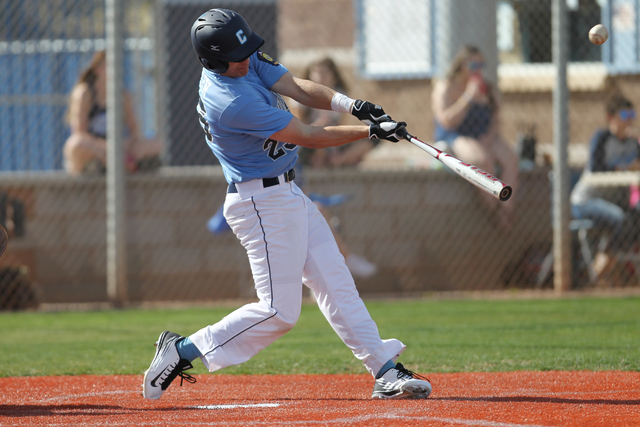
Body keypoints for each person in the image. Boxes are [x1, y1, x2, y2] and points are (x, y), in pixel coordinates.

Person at [142, 8, 431, 401]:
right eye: (236, 56)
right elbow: (306, 135)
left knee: (336, 282)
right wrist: (370, 132)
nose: (246, 59)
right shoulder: (229, 100)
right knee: (279, 311)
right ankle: (182, 350)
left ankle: (385, 370)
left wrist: (352, 104)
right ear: (213, 59)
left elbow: (294, 86)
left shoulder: (240, 61)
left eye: (246, 51)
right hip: (260, 204)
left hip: (287, 194)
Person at [290, 57, 378, 278]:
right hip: (308, 147)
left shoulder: (337, 96)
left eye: (325, 72)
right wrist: (322, 121)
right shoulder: (300, 99)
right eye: (316, 72)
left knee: (373, 135)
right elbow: (302, 134)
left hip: (330, 149)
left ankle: (343, 262)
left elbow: (343, 128)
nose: (320, 77)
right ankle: (345, 260)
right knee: (316, 211)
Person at [431, 45, 519, 229]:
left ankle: (506, 209)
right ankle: (495, 213)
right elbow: (447, 121)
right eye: (473, 65)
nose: (478, 70)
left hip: (483, 135)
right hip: (456, 135)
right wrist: (468, 97)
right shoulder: (446, 87)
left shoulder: (488, 88)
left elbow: (495, 120)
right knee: (482, 160)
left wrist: (489, 136)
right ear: (462, 66)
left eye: (481, 65)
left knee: (510, 159)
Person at [570, 93, 640, 284]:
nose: (630, 121)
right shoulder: (602, 138)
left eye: (632, 115)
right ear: (611, 117)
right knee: (621, 219)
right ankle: (599, 272)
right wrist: (625, 167)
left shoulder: (634, 144)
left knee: (635, 216)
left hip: (615, 203)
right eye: (624, 116)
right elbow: (596, 168)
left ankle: (604, 266)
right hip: (586, 202)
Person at [63, 50, 163, 175]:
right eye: (109, 66)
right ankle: (106, 165)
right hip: (96, 148)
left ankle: (116, 165)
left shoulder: (122, 96)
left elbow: (135, 132)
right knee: (75, 145)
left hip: (119, 149)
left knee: (156, 144)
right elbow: (79, 132)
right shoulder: (85, 93)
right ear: (98, 69)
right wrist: (108, 147)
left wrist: (123, 146)